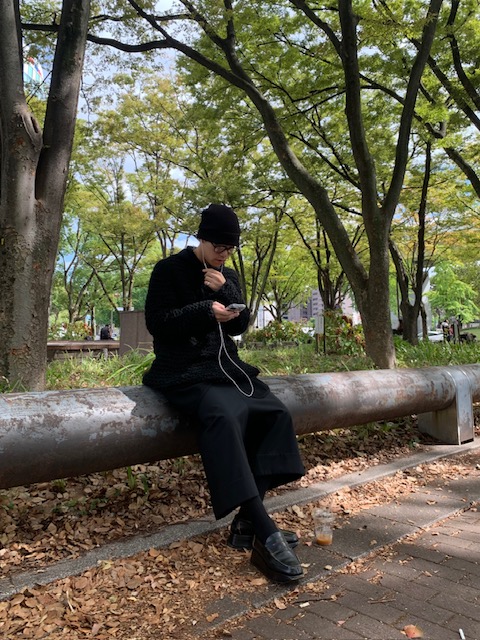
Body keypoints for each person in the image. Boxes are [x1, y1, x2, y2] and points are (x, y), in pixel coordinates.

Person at [143, 203, 305, 583]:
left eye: (230, 248)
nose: (224, 254)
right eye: (219, 246)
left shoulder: (227, 274)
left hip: (227, 369)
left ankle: (246, 523)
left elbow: (238, 327)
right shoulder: (168, 270)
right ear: (202, 238)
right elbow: (158, 324)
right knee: (224, 417)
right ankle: (265, 532)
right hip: (183, 371)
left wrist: (226, 292)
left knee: (275, 413)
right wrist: (204, 311)